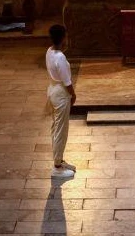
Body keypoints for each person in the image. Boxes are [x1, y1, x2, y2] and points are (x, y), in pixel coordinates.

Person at [46, 25, 77, 179]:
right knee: (60, 129)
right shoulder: (60, 57)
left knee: (56, 127)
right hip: (61, 93)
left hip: (52, 89)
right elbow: (67, 81)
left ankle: (59, 159)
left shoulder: (49, 51)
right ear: (63, 37)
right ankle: (57, 166)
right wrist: (73, 95)